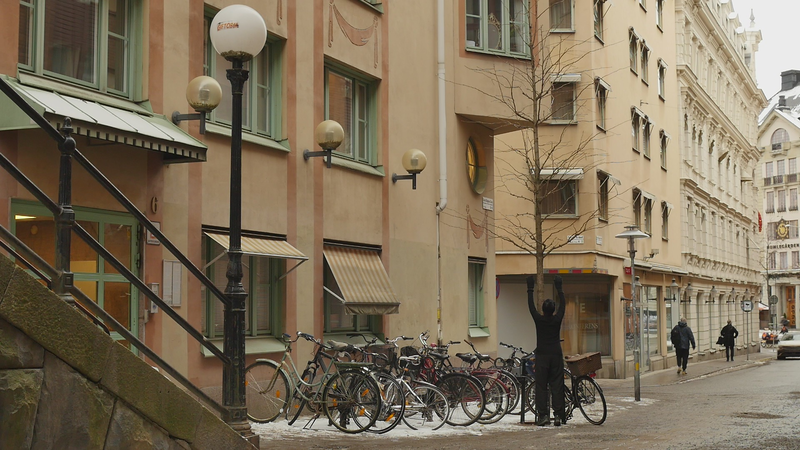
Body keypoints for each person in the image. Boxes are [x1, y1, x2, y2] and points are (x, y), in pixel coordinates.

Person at [527, 275, 566, 427]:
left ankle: (543, 416)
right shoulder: (557, 320)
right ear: (553, 310)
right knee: (557, 386)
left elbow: (531, 307)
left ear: (543, 310)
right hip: (556, 354)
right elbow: (563, 305)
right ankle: (558, 415)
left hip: (542, 355)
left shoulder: (539, 320)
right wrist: (559, 288)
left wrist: (530, 288)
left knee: (541, 386)